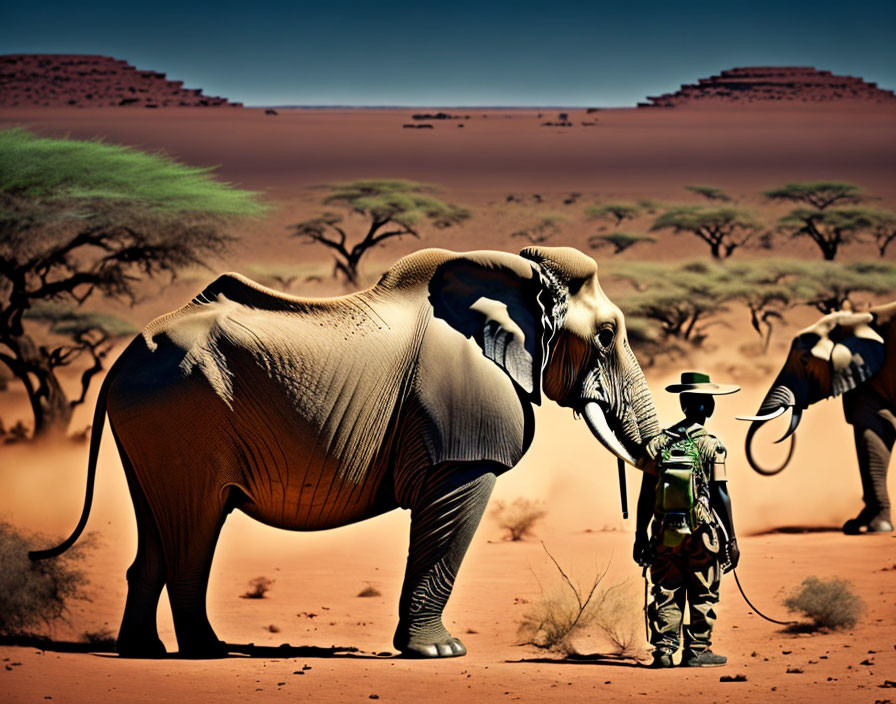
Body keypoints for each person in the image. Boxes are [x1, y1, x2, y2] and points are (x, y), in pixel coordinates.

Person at [633, 371, 740, 668]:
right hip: (702, 533)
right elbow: (721, 495)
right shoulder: (712, 446)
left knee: (666, 588)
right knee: (703, 589)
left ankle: (664, 651)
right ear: (708, 406)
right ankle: (697, 650)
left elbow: (645, 496)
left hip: (665, 532)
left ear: (682, 404)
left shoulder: (657, 444)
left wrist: (640, 535)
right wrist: (731, 539)